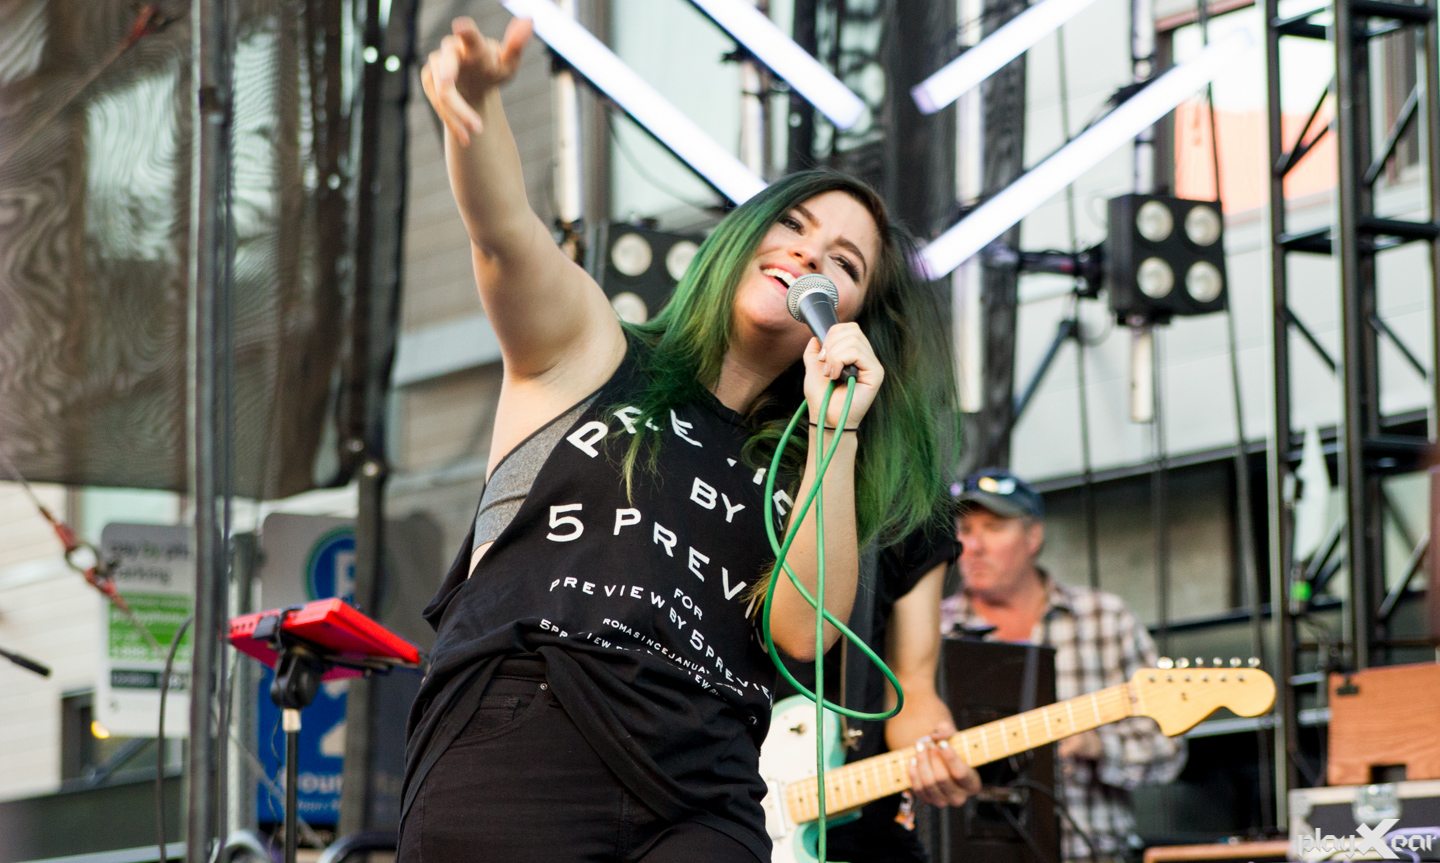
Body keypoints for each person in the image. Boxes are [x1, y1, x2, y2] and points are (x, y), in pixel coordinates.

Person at [399, 12, 959, 862]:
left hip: (707, 782)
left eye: (844, 263)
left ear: (854, 313)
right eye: (792, 225)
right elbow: (505, 237)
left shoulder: (809, 463)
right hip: (535, 717)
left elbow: (805, 635)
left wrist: (834, 429)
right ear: (741, 238)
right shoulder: (598, 349)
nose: (810, 255)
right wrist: (475, 112)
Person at [939, 469, 1187, 863]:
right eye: (965, 529)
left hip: (1089, 854)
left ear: (1033, 536)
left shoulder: (1105, 618)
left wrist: (1096, 745)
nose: (974, 546)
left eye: (994, 528)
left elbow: (1169, 749)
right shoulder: (931, 631)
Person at [775, 524, 980, 863]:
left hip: (857, 820)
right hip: (711, 801)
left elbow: (913, 687)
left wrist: (937, 754)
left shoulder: (912, 508)